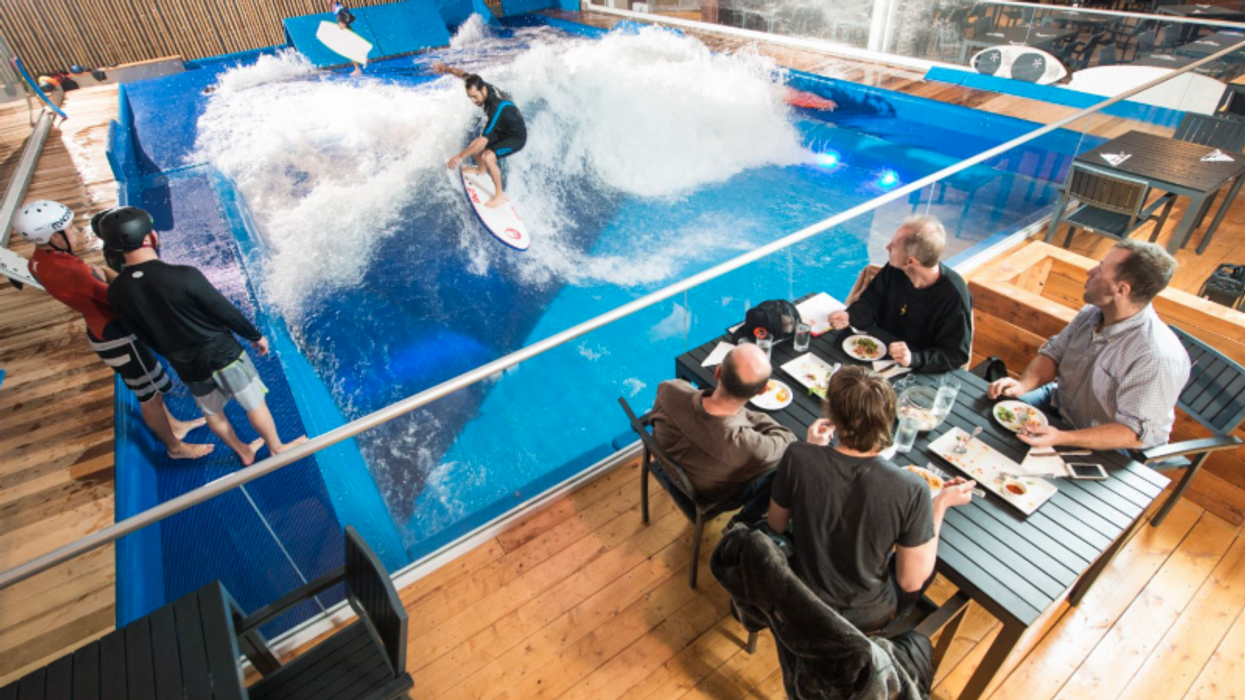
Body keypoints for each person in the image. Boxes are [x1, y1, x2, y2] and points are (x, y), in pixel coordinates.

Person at [767, 366, 975, 633]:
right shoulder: (912, 488)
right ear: (889, 419)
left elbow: (776, 524)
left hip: (801, 594)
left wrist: (812, 452)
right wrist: (941, 504)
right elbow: (911, 581)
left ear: (832, 417)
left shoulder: (798, 455)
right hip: (863, 619)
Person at [97, 207, 306, 466]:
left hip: (185, 363)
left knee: (214, 413)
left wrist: (170, 351)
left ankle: (243, 452)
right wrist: (254, 335)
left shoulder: (116, 291)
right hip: (222, 352)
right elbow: (223, 310)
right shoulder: (182, 275)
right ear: (150, 237)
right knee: (254, 403)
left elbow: (139, 332)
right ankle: (277, 449)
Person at [12, 201, 213, 460]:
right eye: (70, 229)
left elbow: (95, 278)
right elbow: (117, 297)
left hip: (102, 330)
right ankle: (175, 448)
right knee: (149, 395)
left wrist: (103, 273)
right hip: (116, 337)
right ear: (53, 237)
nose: (76, 233)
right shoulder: (70, 270)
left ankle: (174, 426)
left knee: (153, 385)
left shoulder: (42, 260)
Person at [988, 240, 1190, 451]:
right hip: (1059, 405)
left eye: (1100, 269)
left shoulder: (1156, 357)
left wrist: (1061, 438)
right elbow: (1054, 354)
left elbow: (1134, 432)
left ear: (1121, 290)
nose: (1089, 271)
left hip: (1116, 446)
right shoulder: (1093, 312)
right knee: (990, 420)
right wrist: (1023, 386)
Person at [649, 344, 796, 521]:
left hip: (668, 467)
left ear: (718, 372)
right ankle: (743, 520)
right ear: (762, 391)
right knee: (781, 472)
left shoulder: (670, 389)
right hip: (709, 496)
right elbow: (788, 440)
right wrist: (745, 413)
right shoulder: (751, 446)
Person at [829, 216, 972, 372]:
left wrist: (914, 358)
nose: (887, 247)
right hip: (876, 353)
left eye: (894, 246)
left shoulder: (954, 297)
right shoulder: (895, 269)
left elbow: (955, 354)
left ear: (911, 261)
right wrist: (850, 316)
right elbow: (870, 303)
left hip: (918, 371)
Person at [432, 62, 527, 208]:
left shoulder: (495, 106)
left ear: (483, 90)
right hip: (503, 127)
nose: (474, 101)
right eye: (470, 97)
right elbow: (461, 73)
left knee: (487, 156)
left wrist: (459, 157)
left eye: (475, 96)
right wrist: (444, 69)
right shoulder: (477, 83)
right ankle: (480, 170)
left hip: (516, 136)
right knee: (474, 148)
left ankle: (499, 196)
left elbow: (483, 141)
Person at [329, 1, 365, 75]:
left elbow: (349, 16)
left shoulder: (338, 6)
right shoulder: (334, 6)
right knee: (350, 49)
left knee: (350, 49)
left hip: (346, 28)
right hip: (344, 28)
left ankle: (358, 68)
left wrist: (343, 23)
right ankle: (361, 62)